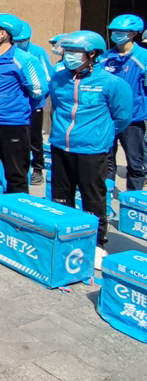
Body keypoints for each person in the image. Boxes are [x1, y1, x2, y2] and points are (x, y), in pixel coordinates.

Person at [49, 31, 132, 270]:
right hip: (60, 145)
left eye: (75, 52)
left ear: (92, 54)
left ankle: (97, 243)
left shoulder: (111, 83)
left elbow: (122, 117)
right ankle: (64, 237)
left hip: (92, 149)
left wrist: (100, 134)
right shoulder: (58, 78)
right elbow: (56, 106)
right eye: (67, 52)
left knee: (93, 196)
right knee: (61, 196)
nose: (69, 56)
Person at [0, 14, 46, 194]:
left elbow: (38, 91)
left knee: (16, 176)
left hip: (12, 126)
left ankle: (17, 209)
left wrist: (14, 107)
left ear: (4, 34)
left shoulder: (24, 59)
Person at [101, 14, 147, 191]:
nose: (116, 34)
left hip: (133, 119)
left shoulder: (143, 57)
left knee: (135, 163)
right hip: (107, 118)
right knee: (106, 161)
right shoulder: (104, 58)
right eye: (114, 31)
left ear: (134, 33)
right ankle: (105, 197)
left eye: (122, 31)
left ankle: (133, 198)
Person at [16, 21, 54, 186]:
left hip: (34, 103)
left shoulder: (38, 52)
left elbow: (48, 77)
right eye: (17, 40)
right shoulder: (11, 52)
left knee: (35, 138)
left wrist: (39, 97)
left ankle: (37, 168)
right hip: (17, 106)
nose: (20, 43)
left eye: (23, 40)